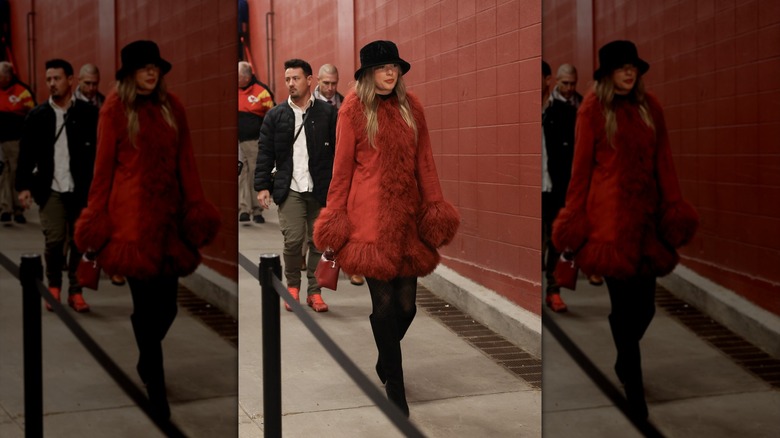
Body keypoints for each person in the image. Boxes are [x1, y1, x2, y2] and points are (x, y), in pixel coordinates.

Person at [74, 40, 220, 420]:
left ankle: (144, 353)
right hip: (131, 226)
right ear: (129, 74)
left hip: (169, 224)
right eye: (143, 68)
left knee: (167, 308)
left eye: (155, 67)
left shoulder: (174, 109)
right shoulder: (114, 110)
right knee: (146, 303)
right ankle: (156, 388)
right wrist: (95, 219)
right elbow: (102, 172)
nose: (152, 73)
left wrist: (195, 208)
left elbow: (187, 164)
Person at [552, 40, 698, 420]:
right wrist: (573, 218)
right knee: (624, 303)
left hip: (646, 223)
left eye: (633, 67)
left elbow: (665, 163)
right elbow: (579, 172)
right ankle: (633, 385)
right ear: (608, 74)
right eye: (622, 68)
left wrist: (673, 207)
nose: (630, 73)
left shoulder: (652, 109)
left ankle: (622, 349)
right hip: (609, 225)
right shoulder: (593, 110)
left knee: (644, 309)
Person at [313, 40, 459, 417]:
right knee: (385, 304)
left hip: (407, 218)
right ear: (367, 75)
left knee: (407, 307)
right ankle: (395, 383)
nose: (391, 73)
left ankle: (384, 359)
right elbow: (341, 172)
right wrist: (335, 217)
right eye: (383, 68)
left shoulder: (413, 109)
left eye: (394, 67)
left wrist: (434, 207)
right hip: (369, 222)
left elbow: (426, 163)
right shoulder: (353, 111)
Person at [16, 59, 98, 312]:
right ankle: (54, 286)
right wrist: (23, 187)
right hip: (50, 187)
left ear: (70, 80)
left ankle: (76, 291)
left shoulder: (88, 114)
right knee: (54, 239)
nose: (52, 83)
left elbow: (98, 153)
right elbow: (26, 154)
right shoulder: (37, 116)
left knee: (78, 241)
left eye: (57, 78)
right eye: (49, 79)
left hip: (80, 189)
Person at [255, 58, 336, 313]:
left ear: (309, 80)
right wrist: (263, 186)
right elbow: (265, 153)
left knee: (318, 242)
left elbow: (338, 153)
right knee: (293, 240)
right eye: (287, 79)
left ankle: (315, 292)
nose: (291, 83)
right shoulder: (275, 116)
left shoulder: (328, 113)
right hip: (289, 187)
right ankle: (293, 286)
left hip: (320, 188)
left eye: (296, 78)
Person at [312, 63, 366, 286]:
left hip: (344, 169)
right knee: (317, 219)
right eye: (326, 83)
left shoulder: (345, 103)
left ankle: (353, 268)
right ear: (317, 80)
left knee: (351, 220)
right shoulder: (308, 104)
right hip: (317, 171)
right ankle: (314, 256)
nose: (330, 88)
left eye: (334, 83)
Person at [542, 60, 577, 312]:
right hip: (536, 187)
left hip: (556, 186)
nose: (568, 88)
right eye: (564, 83)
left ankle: (553, 291)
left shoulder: (566, 108)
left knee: (555, 241)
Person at [238, 61, 274, 224]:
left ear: (246, 77)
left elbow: (271, 115)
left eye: (238, 77)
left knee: (253, 173)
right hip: (238, 141)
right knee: (241, 174)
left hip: (253, 140)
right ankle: (243, 209)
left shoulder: (262, 92)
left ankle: (257, 210)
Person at [1, 61, 36, 224]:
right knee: (2, 174)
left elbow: (33, 113)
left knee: (15, 173)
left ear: (8, 76)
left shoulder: (22, 91)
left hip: (14, 140)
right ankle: (5, 209)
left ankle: (18, 209)